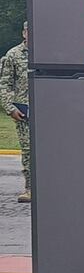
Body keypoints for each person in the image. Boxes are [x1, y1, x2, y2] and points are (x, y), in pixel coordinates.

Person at [0, 21, 31, 203]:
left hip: (48, 111)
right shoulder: (13, 55)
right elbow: (4, 85)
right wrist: (10, 108)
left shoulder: (47, 54)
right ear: (24, 33)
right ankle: (30, 189)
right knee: (28, 151)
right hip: (24, 112)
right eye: (29, 30)